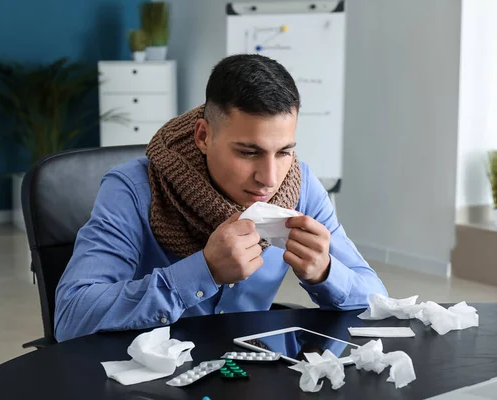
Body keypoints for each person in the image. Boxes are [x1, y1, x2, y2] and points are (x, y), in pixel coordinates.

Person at [54, 54, 387, 342]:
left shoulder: (301, 186)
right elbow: (72, 317)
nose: (270, 179)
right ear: (203, 136)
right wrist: (204, 271)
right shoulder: (133, 187)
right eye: (248, 152)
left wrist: (326, 272)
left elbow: (378, 299)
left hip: (253, 373)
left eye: (284, 152)